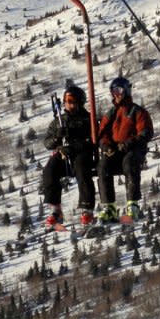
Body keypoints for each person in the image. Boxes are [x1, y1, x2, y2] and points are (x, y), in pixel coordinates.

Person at [97, 76, 154, 222]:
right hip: (115, 151)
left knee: (129, 163)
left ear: (126, 91)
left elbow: (146, 132)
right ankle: (109, 207)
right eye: (113, 91)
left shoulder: (137, 112)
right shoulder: (111, 114)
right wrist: (106, 145)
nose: (116, 94)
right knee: (103, 165)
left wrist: (129, 142)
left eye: (119, 90)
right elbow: (102, 134)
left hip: (132, 151)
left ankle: (132, 205)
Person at [41, 81, 96, 229]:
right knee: (50, 169)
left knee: (82, 169)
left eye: (71, 102)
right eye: (66, 102)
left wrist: (76, 144)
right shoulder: (59, 121)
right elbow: (47, 143)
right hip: (64, 154)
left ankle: (87, 209)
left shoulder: (87, 119)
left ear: (79, 102)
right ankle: (55, 210)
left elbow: (93, 139)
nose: (68, 105)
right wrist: (57, 139)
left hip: (81, 153)